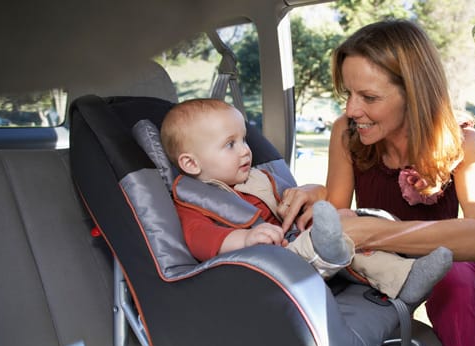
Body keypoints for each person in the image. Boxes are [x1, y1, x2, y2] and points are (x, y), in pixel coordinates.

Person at [281, 20, 475, 346]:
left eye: (369, 97)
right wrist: (320, 192)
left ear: (413, 94)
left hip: (439, 256)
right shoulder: (347, 132)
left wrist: (376, 232)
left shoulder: (466, 143)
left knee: (458, 280)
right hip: (375, 259)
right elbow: (339, 211)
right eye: (348, 94)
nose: (351, 110)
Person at [160, 98, 453, 311]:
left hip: (293, 246)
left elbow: (285, 207)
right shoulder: (193, 201)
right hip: (264, 268)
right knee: (329, 238)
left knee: (351, 242)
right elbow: (199, 239)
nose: (246, 150)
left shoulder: (255, 180)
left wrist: (303, 210)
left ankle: (406, 277)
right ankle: (328, 244)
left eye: (244, 140)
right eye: (230, 144)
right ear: (190, 163)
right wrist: (245, 238)